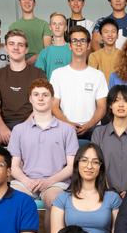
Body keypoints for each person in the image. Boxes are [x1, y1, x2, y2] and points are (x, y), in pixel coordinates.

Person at [50, 142, 122, 233]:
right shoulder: (62, 198)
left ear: (100, 167)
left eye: (95, 162)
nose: (89, 166)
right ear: (77, 164)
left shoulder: (112, 198)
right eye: (84, 160)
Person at [8, 79, 79, 210]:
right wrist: (27, 182)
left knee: (55, 202)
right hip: (25, 182)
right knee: (10, 201)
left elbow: (71, 167)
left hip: (56, 183)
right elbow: (14, 166)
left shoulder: (67, 130)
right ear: (30, 99)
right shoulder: (18, 130)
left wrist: (48, 182)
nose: (40, 98)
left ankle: (54, 231)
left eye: (45, 95)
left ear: (52, 100)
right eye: (36, 94)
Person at [0, 30, 43, 145]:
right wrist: (2, 128)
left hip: (32, 122)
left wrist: (24, 128)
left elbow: (41, 106)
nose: (16, 48)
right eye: (12, 44)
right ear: (6, 47)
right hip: (4, 124)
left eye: (20, 45)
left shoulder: (38, 74)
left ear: (26, 49)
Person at [50, 26, 108, 137]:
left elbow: (102, 107)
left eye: (82, 40)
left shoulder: (98, 75)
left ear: (88, 45)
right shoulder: (57, 74)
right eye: (74, 41)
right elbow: (54, 106)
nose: (78, 44)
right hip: (64, 128)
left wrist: (89, 125)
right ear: (70, 46)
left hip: (92, 129)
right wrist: (68, 124)